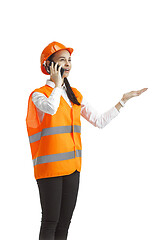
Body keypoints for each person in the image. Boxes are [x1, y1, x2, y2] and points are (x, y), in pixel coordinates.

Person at [25, 41, 148, 240]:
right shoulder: (39, 95)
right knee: (50, 222)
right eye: (62, 60)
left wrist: (123, 100)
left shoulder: (75, 96)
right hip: (49, 169)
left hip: (73, 167)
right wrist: (57, 84)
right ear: (49, 65)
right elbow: (51, 108)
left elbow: (99, 121)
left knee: (64, 224)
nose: (67, 64)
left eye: (69, 60)